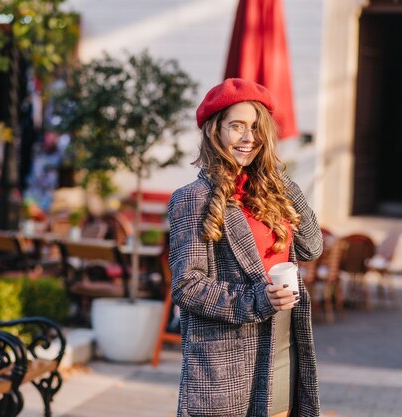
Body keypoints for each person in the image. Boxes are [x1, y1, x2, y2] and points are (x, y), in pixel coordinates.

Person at [168, 78, 324, 417]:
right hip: (228, 358)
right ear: (215, 130)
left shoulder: (271, 193)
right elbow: (187, 287)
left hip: (283, 342)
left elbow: (312, 247)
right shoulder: (192, 200)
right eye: (237, 126)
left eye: (256, 128)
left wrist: (281, 182)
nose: (249, 137)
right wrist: (258, 299)